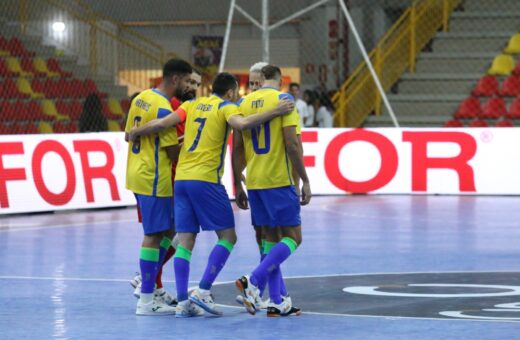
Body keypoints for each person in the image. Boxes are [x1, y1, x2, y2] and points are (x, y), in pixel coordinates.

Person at [128, 72, 295, 317]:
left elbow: (164, 124)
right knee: (228, 237)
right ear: (229, 92)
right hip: (205, 180)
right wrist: (276, 111)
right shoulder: (225, 107)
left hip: (181, 180)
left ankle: (183, 303)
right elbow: (243, 124)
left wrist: (136, 131)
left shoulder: (191, 104)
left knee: (185, 241)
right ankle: (204, 289)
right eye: (236, 92)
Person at [234, 65, 311, 316]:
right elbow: (292, 143)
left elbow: (237, 150)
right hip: (278, 178)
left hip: (255, 181)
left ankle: (276, 301)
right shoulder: (284, 100)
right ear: (280, 81)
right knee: (293, 237)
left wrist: (238, 182)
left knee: (269, 239)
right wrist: (305, 179)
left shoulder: (243, 104)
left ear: (261, 79)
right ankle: (253, 281)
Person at [129, 69, 202, 306]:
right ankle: (147, 283)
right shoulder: (170, 108)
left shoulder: (181, 108)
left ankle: (154, 284)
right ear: (177, 80)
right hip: (162, 178)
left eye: (197, 83)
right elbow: (174, 149)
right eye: (189, 81)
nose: (192, 87)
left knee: (172, 234)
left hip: (166, 178)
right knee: (168, 234)